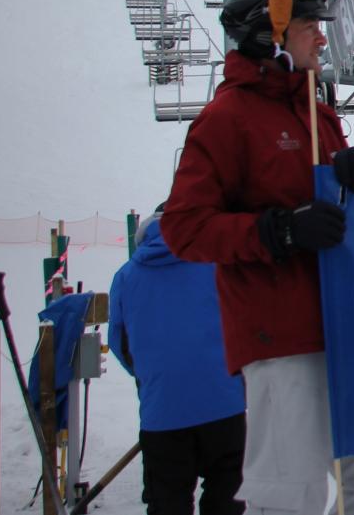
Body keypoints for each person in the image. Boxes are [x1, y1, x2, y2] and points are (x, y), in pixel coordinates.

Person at [161, 0, 354, 515]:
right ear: (269, 35)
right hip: (279, 332)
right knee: (290, 488)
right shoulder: (226, 119)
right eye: (308, 25)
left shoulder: (316, 113)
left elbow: (333, 215)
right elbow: (184, 228)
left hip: (345, 325)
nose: (322, 37)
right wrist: (278, 231)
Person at [110, 206, 247, 515]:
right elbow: (243, 323)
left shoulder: (127, 276)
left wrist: (152, 375)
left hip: (163, 411)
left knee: (168, 501)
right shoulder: (218, 262)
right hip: (224, 404)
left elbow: (120, 342)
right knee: (226, 497)